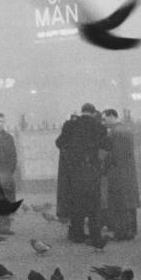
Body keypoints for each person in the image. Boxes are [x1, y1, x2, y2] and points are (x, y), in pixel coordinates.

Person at [54, 103, 108, 243]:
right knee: (94, 204)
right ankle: (95, 234)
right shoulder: (99, 127)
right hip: (92, 170)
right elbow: (107, 146)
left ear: (81, 111)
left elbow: (59, 143)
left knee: (77, 203)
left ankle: (77, 235)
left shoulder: (70, 125)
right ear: (92, 112)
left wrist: (71, 153)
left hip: (75, 171)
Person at [100, 109, 140, 240]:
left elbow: (114, 155)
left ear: (112, 117)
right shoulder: (125, 130)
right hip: (127, 171)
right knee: (129, 203)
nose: (103, 122)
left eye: (105, 119)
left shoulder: (116, 133)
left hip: (118, 173)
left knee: (119, 203)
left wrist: (104, 166)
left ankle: (122, 233)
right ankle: (131, 230)